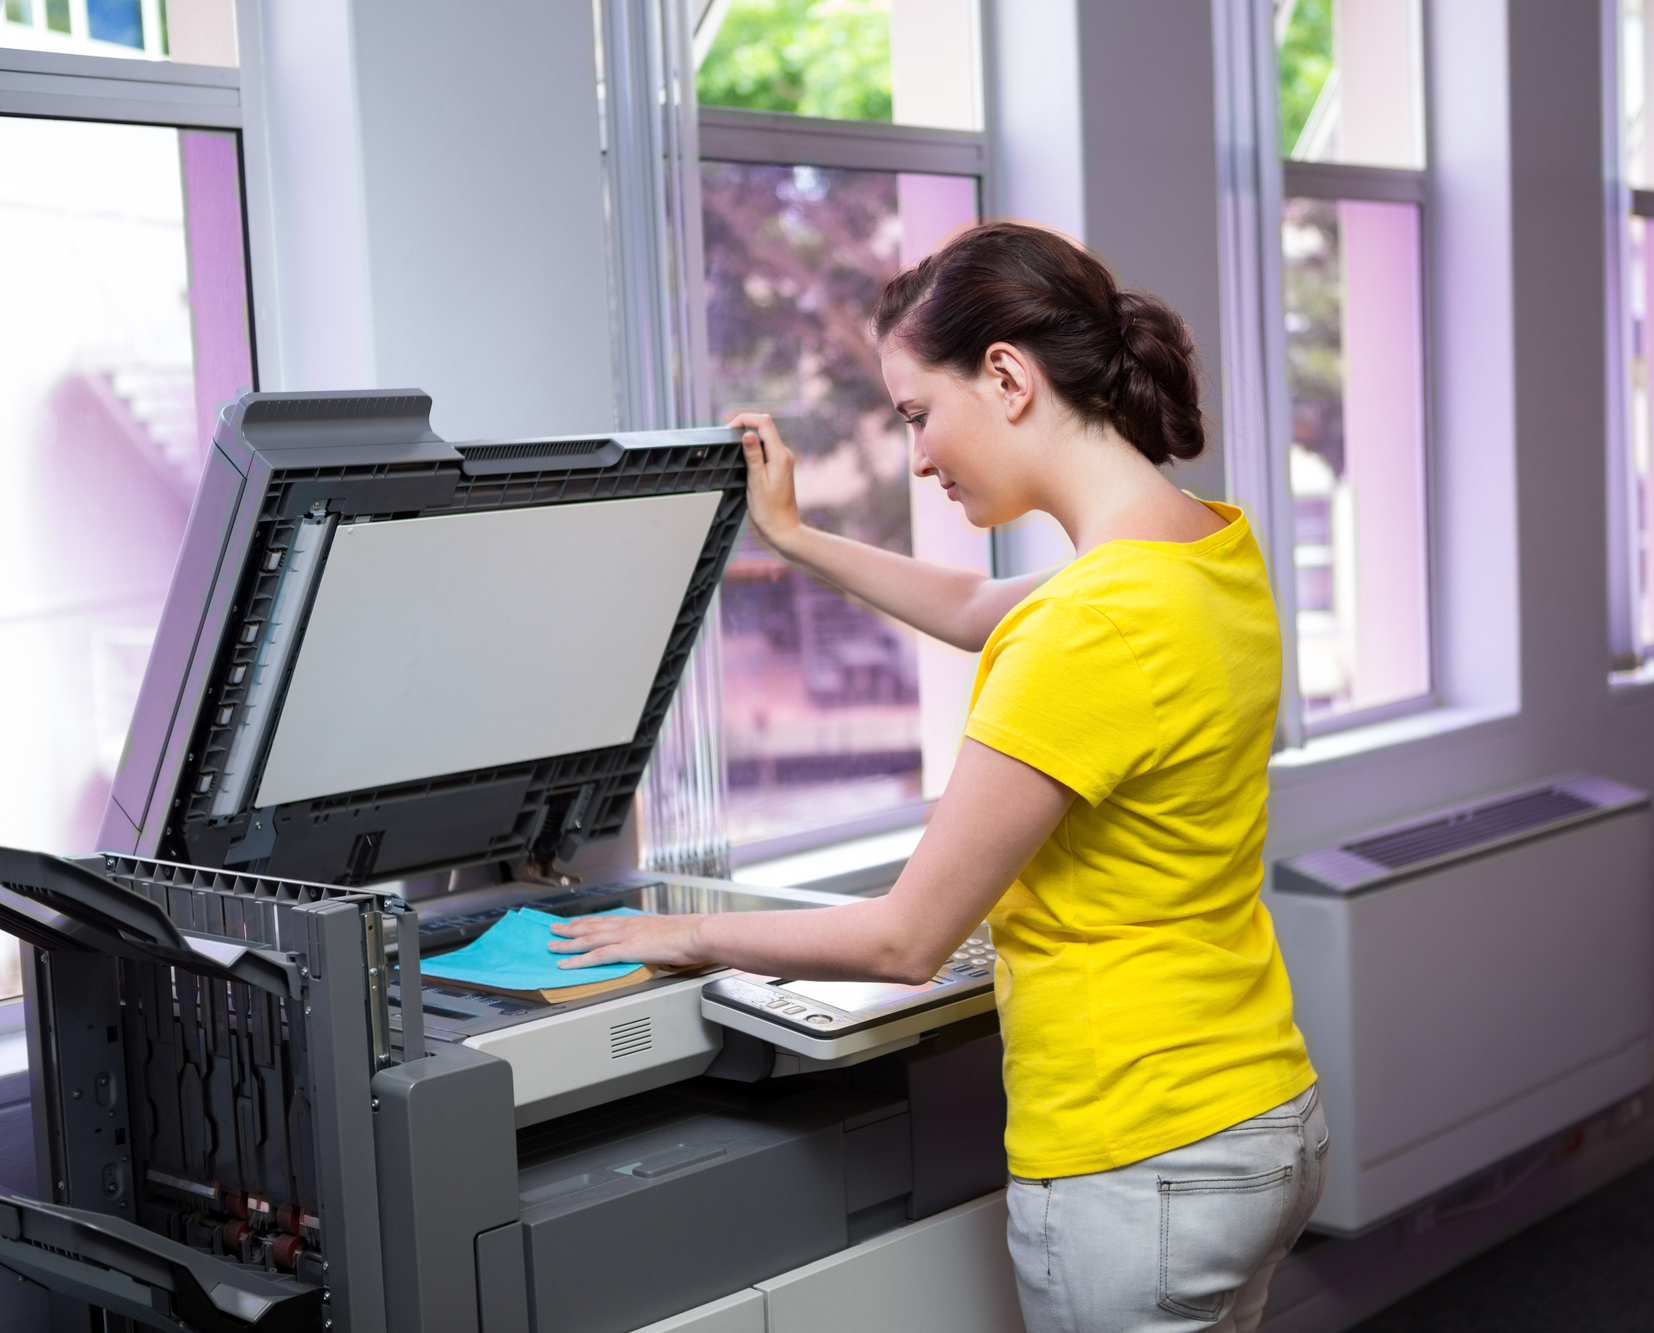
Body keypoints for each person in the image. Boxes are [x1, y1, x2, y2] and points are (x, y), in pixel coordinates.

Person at [550, 222, 1325, 1332]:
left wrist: (681, 933)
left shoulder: (1087, 628)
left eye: (918, 413)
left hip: (1138, 1149)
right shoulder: (1202, 550)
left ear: (1006, 375)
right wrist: (796, 537)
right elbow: (975, 611)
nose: (917, 456)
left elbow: (901, 941)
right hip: (1255, 1115)